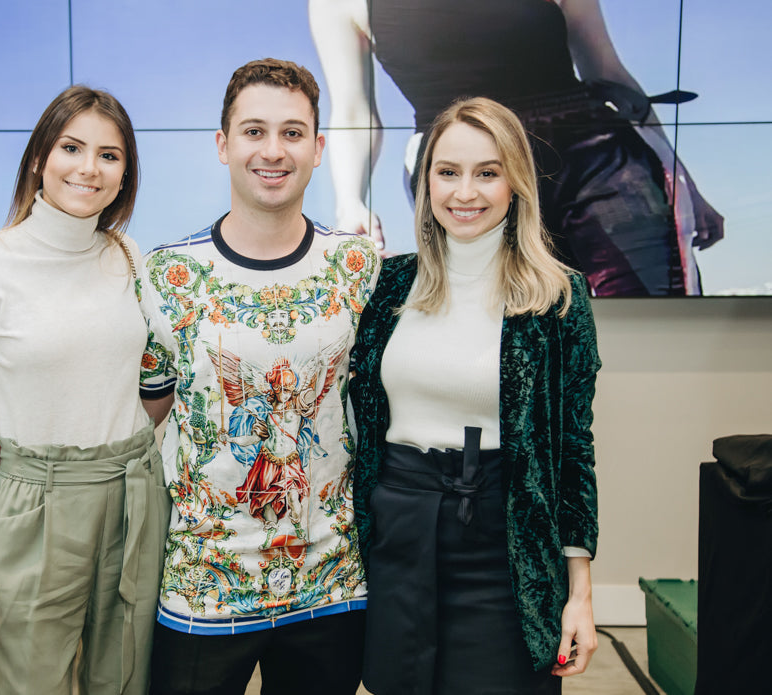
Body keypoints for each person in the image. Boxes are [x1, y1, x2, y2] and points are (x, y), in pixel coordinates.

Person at [137, 58, 380, 695]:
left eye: (293, 132)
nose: (273, 151)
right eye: (253, 131)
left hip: (329, 580)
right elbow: (140, 411)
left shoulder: (357, 267)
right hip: (203, 582)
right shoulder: (167, 276)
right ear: (223, 145)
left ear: (319, 148)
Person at [348, 97, 601, 694]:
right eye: (448, 172)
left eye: (487, 172)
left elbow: (574, 451)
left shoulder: (558, 297)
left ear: (515, 182)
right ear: (425, 180)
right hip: (397, 531)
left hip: (504, 541)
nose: (465, 192)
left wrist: (579, 595)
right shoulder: (384, 286)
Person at [0, 85, 169, 695]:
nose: (90, 168)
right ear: (39, 158)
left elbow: (170, 378)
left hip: (135, 495)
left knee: (126, 682)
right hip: (35, 503)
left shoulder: (129, 256)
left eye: (110, 155)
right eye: (71, 147)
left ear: (125, 174)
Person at [309, 0, 724, 296]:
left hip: (597, 158)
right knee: (509, 352)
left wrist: (680, 179)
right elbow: (353, 110)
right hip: (468, 176)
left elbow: (608, 71)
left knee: (649, 315)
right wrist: (350, 201)